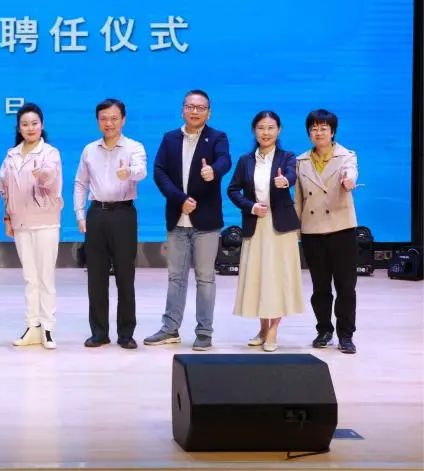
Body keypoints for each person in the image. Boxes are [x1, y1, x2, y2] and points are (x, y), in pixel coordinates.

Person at [145, 89, 231, 351]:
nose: (195, 111)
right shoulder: (170, 138)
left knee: (205, 278)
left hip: (206, 222)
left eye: (200, 107)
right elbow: (159, 172)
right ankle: (170, 328)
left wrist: (213, 170)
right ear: (182, 109)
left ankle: (204, 332)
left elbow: (225, 160)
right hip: (177, 219)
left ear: (209, 113)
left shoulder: (217, 137)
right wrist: (179, 198)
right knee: (176, 278)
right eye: (190, 106)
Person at [227, 111, 304, 352]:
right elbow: (233, 190)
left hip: (281, 228)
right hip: (256, 225)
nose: (266, 132)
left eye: (271, 128)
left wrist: (285, 181)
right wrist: (251, 207)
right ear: (254, 131)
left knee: (278, 278)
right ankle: (262, 328)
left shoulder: (287, 157)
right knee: (260, 277)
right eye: (261, 128)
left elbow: (291, 175)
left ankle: (273, 329)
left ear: (279, 130)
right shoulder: (245, 160)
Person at [74, 98, 147, 350]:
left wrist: (129, 172)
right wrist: (80, 214)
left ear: (123, 120)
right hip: (96, 214)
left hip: (123, 214)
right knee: (96, 276)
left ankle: (126, 333)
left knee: (125, 276)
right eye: (104, 119)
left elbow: (141, 171)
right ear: (98, 121)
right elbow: (80, 183)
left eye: (114, 118)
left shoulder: (134, 147)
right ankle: (99, 332)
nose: (109, 123)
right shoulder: (89, 150)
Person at [0, 103, 63, 350]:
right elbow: (4, 188)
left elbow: (51, 177)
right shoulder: (12, 155)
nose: (30, 128)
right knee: (30, 278)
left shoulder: (50, 153)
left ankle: (48, 327)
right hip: (20, 223)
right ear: (19, 128)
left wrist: (42, 174)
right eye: (25, 124)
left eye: (34, 123)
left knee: (45, 277)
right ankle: (32, 326)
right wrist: (8, 218)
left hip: (45, 221)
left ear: (42, 125)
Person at [296, 109, 360, 355]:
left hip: (341, 229)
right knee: (320, 287)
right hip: (312, 231)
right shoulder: (301, 161)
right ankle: (324, 330)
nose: (318, 133)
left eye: (323, 128)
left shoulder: (346, 156)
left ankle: (346, 335)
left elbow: (351, 172)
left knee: (346, 286)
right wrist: (296, 231)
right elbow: (299, 200)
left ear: (332, 132)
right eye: (313, 129)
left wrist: (349, 181)